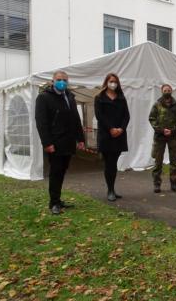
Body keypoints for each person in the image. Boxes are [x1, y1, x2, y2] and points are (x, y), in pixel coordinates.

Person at [35, 71, 86, 215]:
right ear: (52, 81)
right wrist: (47, 143)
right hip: (55, 143)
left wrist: (80, 138)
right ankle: (53, 203)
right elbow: (41, 123)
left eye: (64, 80)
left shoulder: (70, 96)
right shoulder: (43, 97)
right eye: (59, 79)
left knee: (62, 171)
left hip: (68, 142)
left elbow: (76, 119)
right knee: (55, 172)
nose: (62, 82)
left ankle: (58, 199)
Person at [94, 73, 130, 202]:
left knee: (113, 163)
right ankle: (110, 190)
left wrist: (121, 129)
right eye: (111, 81)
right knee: (108, 163)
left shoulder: (121, 97)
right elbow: (99, 116)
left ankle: (112, 189)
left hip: (119, 135)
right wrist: (111, 128)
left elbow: (127, 116)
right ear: (106, 82)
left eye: (115, 81)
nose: (113, 83)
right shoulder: (99, 97)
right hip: (106, 135)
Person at [148, 84, 176, 193]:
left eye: (169, 90)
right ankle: (157, 184)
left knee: (174, 161)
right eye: (165, 90)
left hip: (173, 136)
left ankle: (174, 183)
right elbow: (152, 118)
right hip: (159, 137)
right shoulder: (157, 104)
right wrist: (161, 130)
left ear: (171, 91)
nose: (167, 91)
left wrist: (172, 130)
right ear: (162, 91)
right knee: (158, 161)